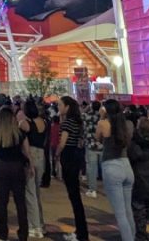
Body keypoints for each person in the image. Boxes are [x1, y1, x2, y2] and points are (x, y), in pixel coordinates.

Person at [0, 105, 31, 241]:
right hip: (18, 167)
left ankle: (2, 233)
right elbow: (26, 151)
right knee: (20, 202)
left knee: (2, 202)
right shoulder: (19, 132)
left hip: (2, 167)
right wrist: (30, 166)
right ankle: (23, 233)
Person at [96, 99, 135, 241]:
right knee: (128, 211)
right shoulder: (128, 124)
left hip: (111, 166)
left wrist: (101, 116)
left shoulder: (103, 123)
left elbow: (98, 138)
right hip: (126, 165)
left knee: (120, 214)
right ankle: (132, 237)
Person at [56, 96, 88, 241]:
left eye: (60, 105)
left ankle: (81, 233)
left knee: (73, 196)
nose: (59, 108)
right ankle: (81, 231)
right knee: (75, 196)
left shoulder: (68, 123)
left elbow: (63, 142)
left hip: (68, 157)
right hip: (75, 156)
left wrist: (57, 154)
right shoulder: (77, 122)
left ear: (67, 107)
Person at [23, 100, 46, 238]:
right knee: (36, 193)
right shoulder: (44, 122)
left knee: (30, 193)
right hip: (41, 156)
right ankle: (41, 224)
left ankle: (34, 226)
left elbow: (24, 142)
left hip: (30, 156)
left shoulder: (25, 124)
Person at [82, 100, 102, 199]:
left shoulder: (86, 116)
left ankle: (92, 189)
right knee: (105, 167)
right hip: (102, 145)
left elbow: (82, 127)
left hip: (90, 144)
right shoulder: (103, 117)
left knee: (91, 167)